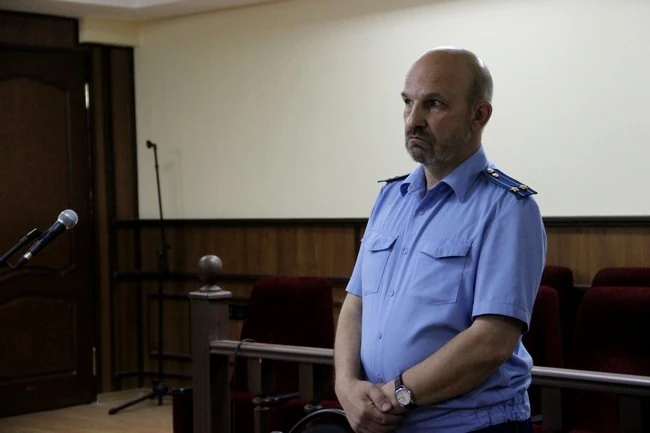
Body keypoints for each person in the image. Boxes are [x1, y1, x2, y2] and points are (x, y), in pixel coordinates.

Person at [333, 47, 547, 433]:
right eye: (407, 103)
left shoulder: (507, 208)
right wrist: (345, 386)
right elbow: (355, 304)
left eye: (434, 104)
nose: (413, 120)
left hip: (470, 427)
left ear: (479, 115)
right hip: (384, 423)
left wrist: (396, 395)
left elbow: (492, 340)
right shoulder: (390, 198)